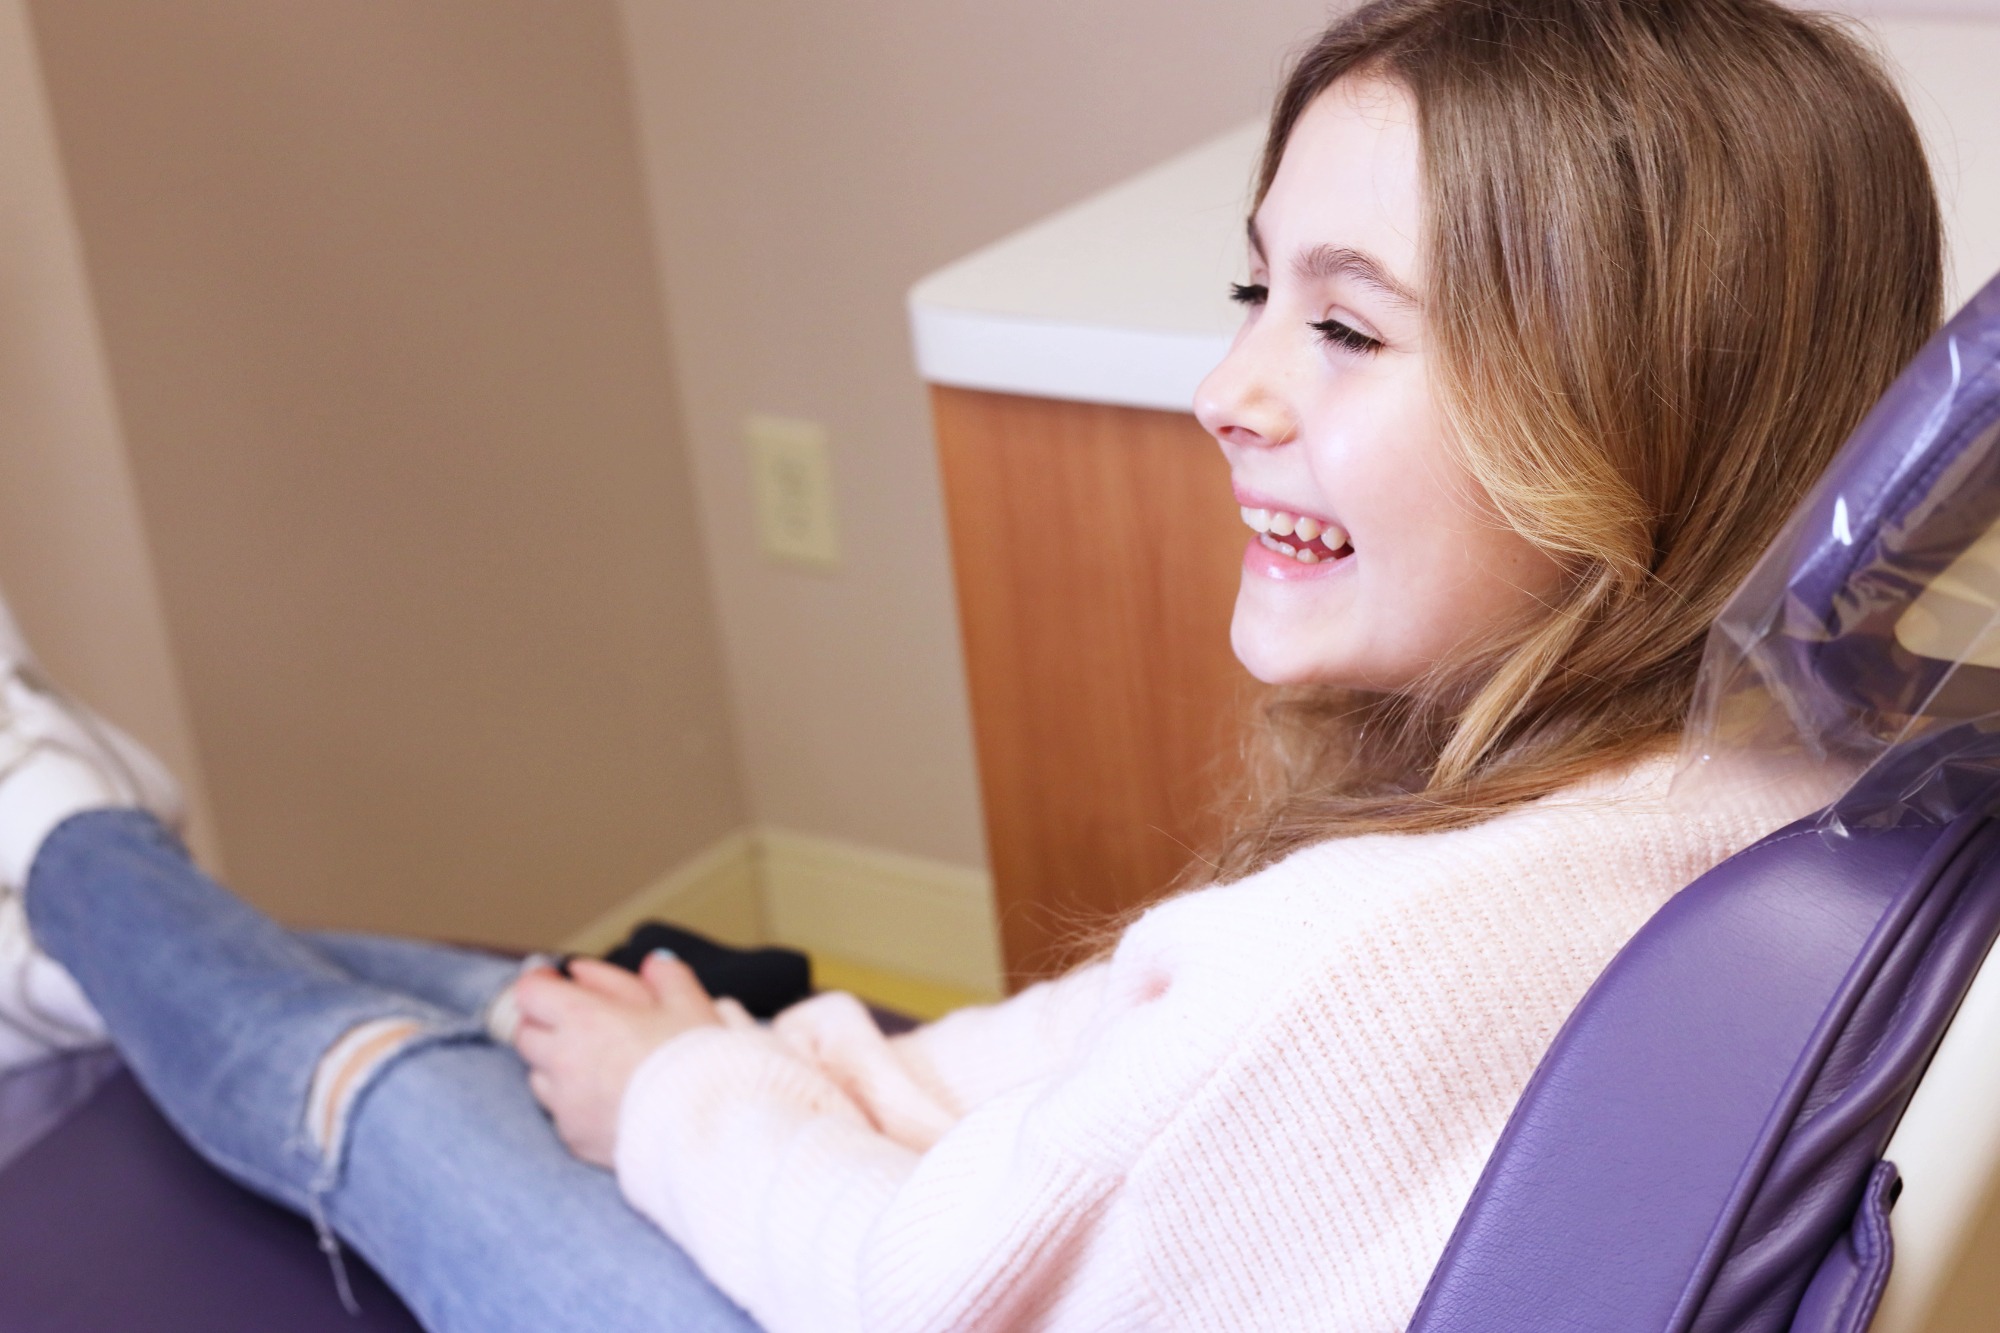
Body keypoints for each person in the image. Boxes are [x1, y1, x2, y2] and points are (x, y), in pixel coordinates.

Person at [0, 0, 1945, 1328]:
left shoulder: (1343, 960)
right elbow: (1108, 1072)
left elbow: (915, 1289)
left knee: (390, 1079)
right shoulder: (1784, 771)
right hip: (954, 1180)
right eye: (1253, 291)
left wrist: (686, 1103)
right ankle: (83, 937)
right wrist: (786, 1062)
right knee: (516, 991)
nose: (1228, 389)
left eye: (1347, 332)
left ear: (1648, 409)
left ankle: (61, 844)